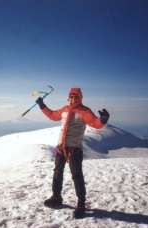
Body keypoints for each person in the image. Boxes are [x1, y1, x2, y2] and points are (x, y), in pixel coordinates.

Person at [35, 87, 109, 219]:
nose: (74, 98)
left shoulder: (85, 111)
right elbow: (52, 115)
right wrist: (42, 105)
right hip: (61, 148)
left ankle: (81, 204)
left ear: (80, 98)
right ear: (69, 97)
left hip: (74, 149)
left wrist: (102, 120)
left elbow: (94, 122)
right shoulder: (64, 109)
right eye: (72, 96)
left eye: (76, 96)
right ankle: (56, 197)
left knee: (77, 176)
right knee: (57, 172)